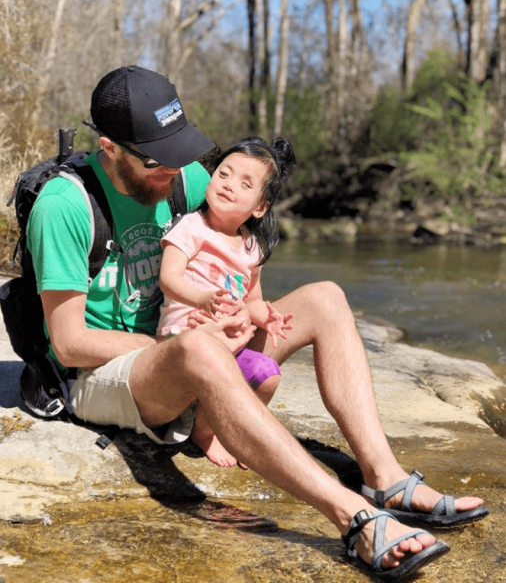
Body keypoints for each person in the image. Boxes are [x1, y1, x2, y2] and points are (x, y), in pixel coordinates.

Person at [27, 64, 488, 580]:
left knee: (327, 297)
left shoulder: (190, 179)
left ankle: (385, 478)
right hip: (108, 378)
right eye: (161, 161)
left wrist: (246, 318)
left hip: (193, 352)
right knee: (196, 351)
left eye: (183, 153)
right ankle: (353, 517)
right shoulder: (64, 206)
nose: (179, 173)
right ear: (110, 148)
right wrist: (179, 345)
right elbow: (69, 344)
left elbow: (246, 283)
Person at [157, 136, 295, 468]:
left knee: (268, 374)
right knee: (214, 356)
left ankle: (228, 428)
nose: (229, 185)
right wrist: (201, 298)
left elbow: (252, 301)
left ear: (259, 207)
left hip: (228, 341)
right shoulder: (190, 228)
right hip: (184, 336)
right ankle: (205, 435)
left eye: (245, 184)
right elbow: (169, 278)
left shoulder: (251, 249)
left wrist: (267, 317)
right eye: (224, 174)